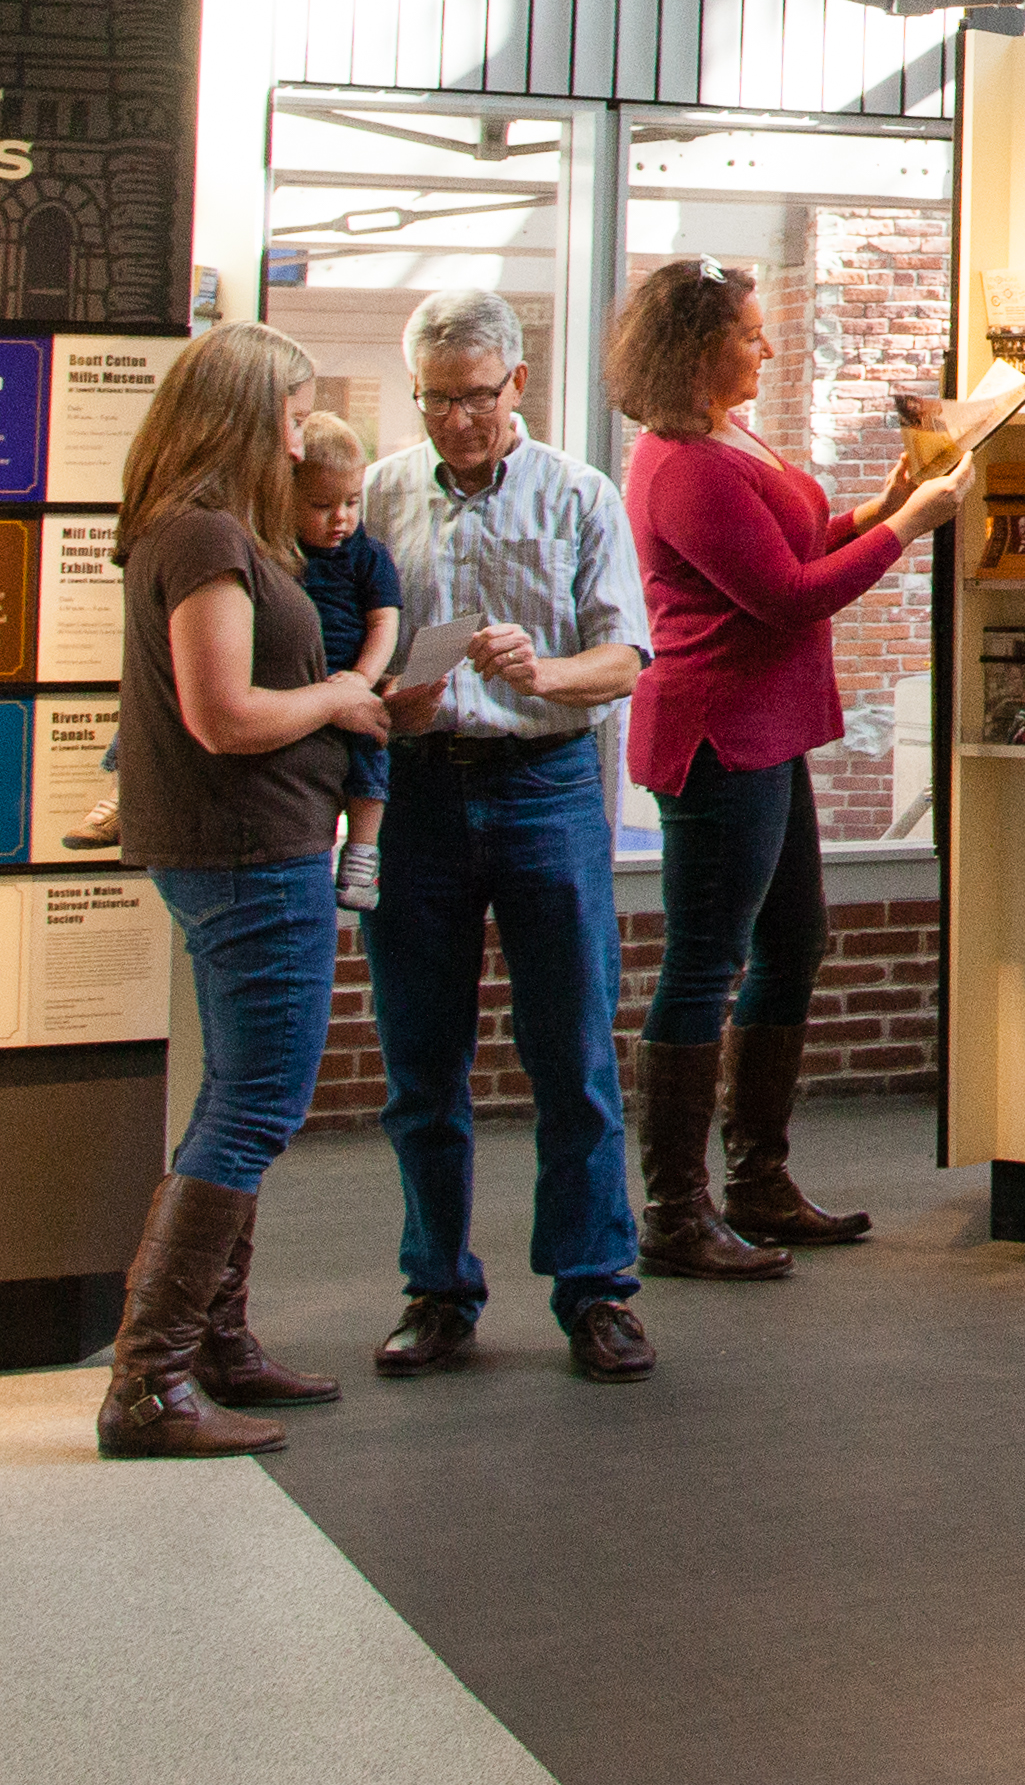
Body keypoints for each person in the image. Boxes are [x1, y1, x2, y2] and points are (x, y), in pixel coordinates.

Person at [610, 259, 992, 1272]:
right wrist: (909, 528)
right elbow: (784, 595)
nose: (767, 346)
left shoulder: (724, 436)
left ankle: (757, 1182)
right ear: (699, 348)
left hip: (763, 730)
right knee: (705, 962)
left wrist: (876, 508)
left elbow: (788, 546)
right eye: (749, 332)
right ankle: (676, 1214)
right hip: (718, 735)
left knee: (792, 942)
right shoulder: (684, 465)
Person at [95, 322, 391, 1459]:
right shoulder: (206, 535)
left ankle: (214, 1344)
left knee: (237, 1092)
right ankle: (149, 1384)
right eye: (290, 416)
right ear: (241, 417)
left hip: (246, 845)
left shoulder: (195, 529)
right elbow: (224, 716)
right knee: (257, 1102)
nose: (299, 441)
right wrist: (342, 700)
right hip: (246, 850)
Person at [360, 285, 660, 1382]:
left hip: (546, 784)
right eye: (435, 400)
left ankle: (596, 1290)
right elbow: (353, 649)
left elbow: (623, 660)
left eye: (476, 398)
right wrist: (388, 698)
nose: (456, 421)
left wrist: (546, 671)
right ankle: (438, 1290)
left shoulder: (580, 494)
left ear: (517, 383)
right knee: (420, 1060)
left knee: (573, 1051)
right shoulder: (380, 494)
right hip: (418, 792)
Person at [292, 411, 403, 917]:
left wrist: (362, 678)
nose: (341, 517)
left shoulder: (368, 556)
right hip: (294, 683)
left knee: (371, 748)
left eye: (352, 502)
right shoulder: (279, 551)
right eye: (322, 505)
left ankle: (361, 852)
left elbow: (384, 622)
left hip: (348, 675)